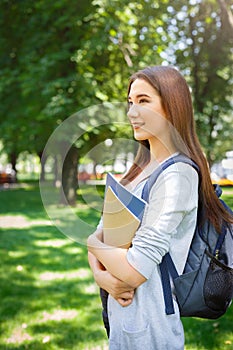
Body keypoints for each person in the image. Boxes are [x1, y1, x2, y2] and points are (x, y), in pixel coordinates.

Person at [87, 65, 233, 350]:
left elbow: (132, 272)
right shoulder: (137, 171)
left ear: (171, 106)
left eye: (143, 101)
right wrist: (103, 278)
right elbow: (103, 234)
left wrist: (91, 242)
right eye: (130, 102)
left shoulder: (178, 175)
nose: (131, 113)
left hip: (152, 329)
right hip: (122, 318)